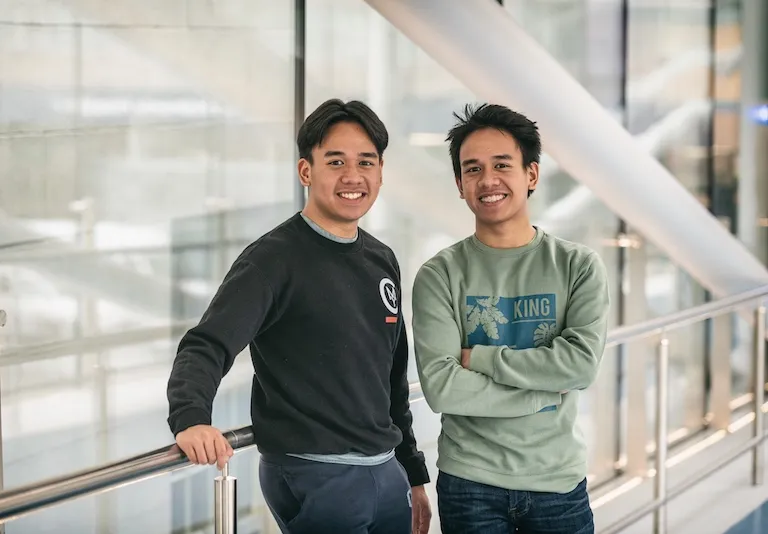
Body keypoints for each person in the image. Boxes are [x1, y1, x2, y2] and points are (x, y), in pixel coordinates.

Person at [166, 98, 431, 534]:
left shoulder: (381, 259)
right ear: (306, 171)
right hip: (315, 475)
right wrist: (191, 418)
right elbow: (207, 343)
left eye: (366, 162)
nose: (353, 176)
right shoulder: (272, 261)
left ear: (381, 171)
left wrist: (412, 473)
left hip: (386, 473)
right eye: (336, 161)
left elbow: (391, 378)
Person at [411, 103, 610, 534]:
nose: (488, 180)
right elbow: (443, 389)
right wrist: (542, 394)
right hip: (471, 484)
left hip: (558, 483)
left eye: (502, 165)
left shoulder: (577, 266)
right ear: (460, 185)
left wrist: (479, 359)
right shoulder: (439, 275)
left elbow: (579, 365)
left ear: (531, 175)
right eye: (472, 169)